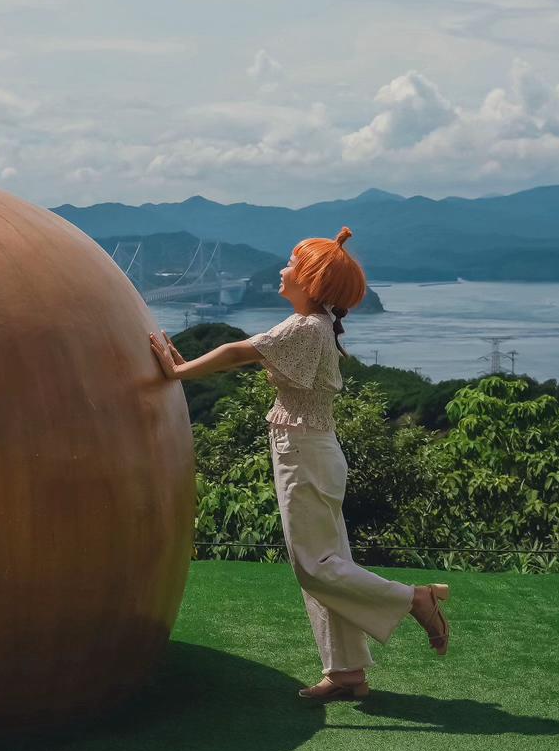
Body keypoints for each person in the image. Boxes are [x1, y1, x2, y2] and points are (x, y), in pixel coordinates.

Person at [148, 226, 451, 703]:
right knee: (330, 562)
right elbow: (244, 357)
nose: (283, 269)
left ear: (311, 282)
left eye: (292, 264)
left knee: (314, 567)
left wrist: (178, 372)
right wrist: (187, 367)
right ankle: (347, 672)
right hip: (314, 449)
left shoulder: (305, 328)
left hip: (303, 452)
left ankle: (414, 598)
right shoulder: (318, 326)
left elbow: (237, 352)